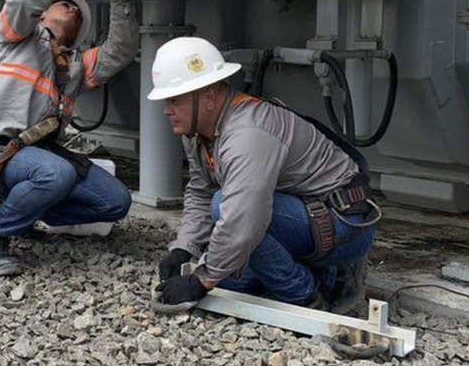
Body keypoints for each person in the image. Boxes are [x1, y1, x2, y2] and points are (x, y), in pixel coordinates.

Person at [149, 37, 378, 312]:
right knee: (231, 282)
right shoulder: (197, 132)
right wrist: (183, 248)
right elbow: (200, 188)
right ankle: (325, 275)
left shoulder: (247, 134)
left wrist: (202, 279)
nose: (166, 110)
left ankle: (306, 294)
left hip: (346, 226)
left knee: (225, 209)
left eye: (175, 100)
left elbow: (243, 217)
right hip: (309, 213)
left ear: (208, 98)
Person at [0, 0, 139, 276]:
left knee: (116, 201)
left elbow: (121, 50)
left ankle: (21, 214)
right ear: (42, 13)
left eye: (79, 13)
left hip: (36, 158)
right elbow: (24, 0)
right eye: (64, 2)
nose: (73, 8)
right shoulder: (14, 38)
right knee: (58, 173)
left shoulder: (76, 67)